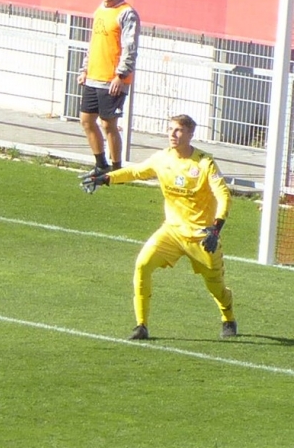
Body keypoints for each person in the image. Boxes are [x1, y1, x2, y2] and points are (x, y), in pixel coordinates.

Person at [81, 113, 237, 340]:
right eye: (170, 129)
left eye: (179, 130)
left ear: (190, 134)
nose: (173, 134)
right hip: (172, 231)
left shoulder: (205, 163)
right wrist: (106, 178)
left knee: (216, 287)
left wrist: (216, 227)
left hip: (202, 236)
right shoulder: (162, 158)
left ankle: (228, 317)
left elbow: (223, 195)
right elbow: (135, 171)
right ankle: (141, 325)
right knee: (142, 265)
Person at [79, 0, 138, 176]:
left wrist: (120, 76)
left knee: (108, 124)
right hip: (93, 77)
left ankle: (116, 168)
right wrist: (85, 70)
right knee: (86, 120)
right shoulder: (100, 10)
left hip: (112, 80)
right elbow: (93, 43)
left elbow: (130, 48)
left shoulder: (126, 13)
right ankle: (100, 164)